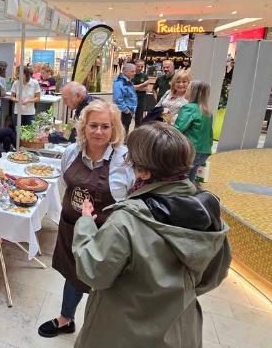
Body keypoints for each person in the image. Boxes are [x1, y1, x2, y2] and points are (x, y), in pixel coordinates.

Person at [72, 122, 231, 348]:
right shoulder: (208, 212)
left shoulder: (128, 221)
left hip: (122, 331)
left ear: (144, 172)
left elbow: (93, 272)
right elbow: (213, 276)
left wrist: (86, 224)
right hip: (179, 331)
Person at [37, 101, 135, 338]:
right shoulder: (71, 152)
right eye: (93, 125)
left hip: (106, 234)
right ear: (83, 127)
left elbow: (131, 200)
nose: (99, 132)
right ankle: (66, 319)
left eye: (105, 126)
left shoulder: (125, 160)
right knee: (74, 274)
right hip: (71, 228)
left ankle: (99, 331)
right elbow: (66, 184)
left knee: (105, 284)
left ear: (114, 129)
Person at [176, 81, 214, 182]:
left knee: (181, 180)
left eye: (188, 89)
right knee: (190, 178)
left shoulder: (189, 108)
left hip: (190, 150)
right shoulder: (207, 111)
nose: (185, 90)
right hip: (204, 151)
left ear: (193, 92)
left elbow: (177, 129)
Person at [112, 63, 137, 135]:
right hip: (123, 113)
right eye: (132, 71)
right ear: (125, 71)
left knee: (125, 130)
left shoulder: (127, 81)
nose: (134, 73)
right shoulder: (119, 82)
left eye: (134, 71)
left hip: (128, 111)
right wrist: (126, 110)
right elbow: (117, 99)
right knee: (121, 132)